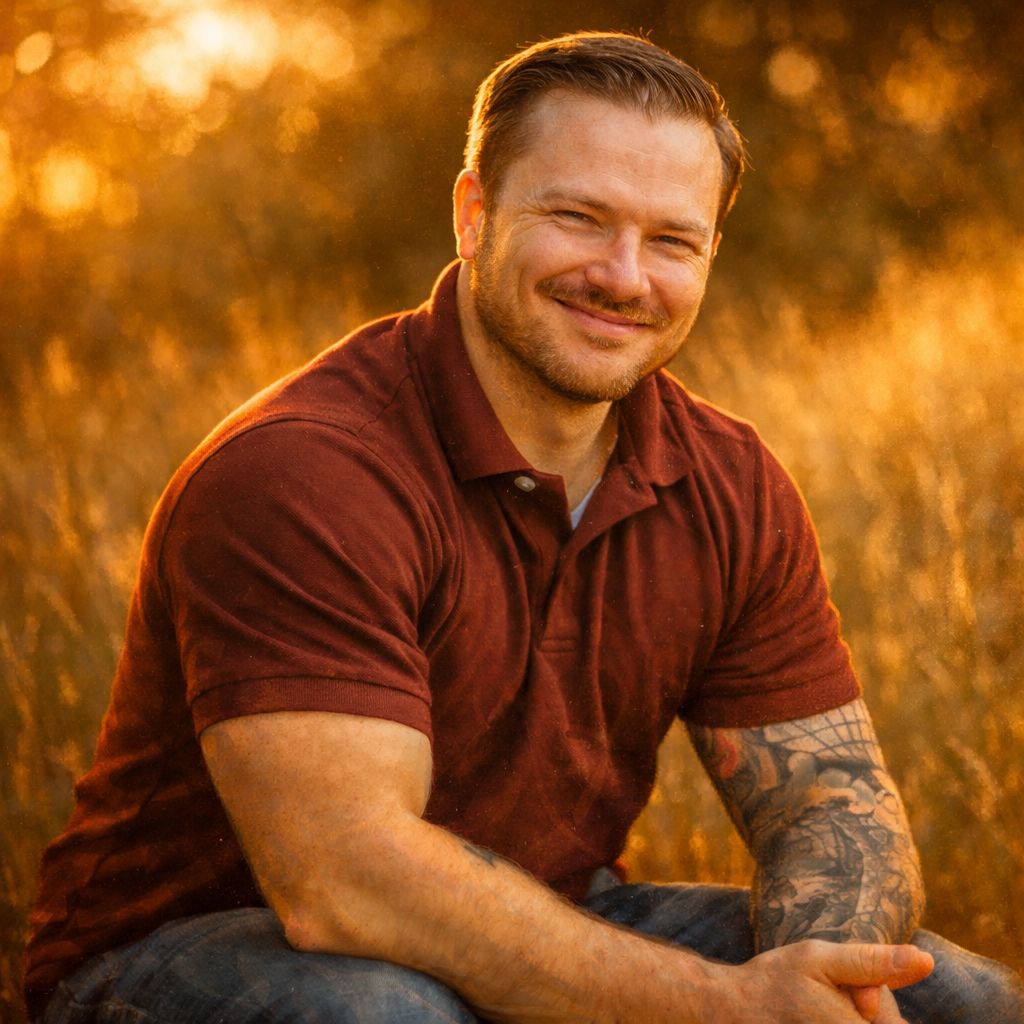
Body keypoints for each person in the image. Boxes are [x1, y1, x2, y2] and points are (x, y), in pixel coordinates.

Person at [24, 31, 1022, 1024]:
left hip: (550, 913)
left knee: (956, 997)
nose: (624, 276)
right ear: (474, 214)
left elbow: (830, 802)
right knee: (391, 1017)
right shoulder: (306, 468)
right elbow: (344, 881)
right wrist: (728, 1009)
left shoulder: (729, 481)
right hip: (195, 953)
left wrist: (822, 987)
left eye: (672, 241)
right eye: (579, 218)